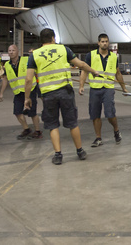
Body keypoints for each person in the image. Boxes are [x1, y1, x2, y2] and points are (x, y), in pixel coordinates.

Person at [24, 28, 100, 165]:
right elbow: (81, 64)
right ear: (53, 38)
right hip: (65, 92)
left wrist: (27, 98)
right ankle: (80, 151)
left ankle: (58, 155)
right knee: (72, 123)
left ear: (42, 40)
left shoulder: (34, 55)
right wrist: (93, 71)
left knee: (53, 125)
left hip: (48, 94)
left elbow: (28, 80)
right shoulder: (64, 50)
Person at [78, 33, 128, 147]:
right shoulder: (90, 55)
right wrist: (81, 86)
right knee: (95, 115)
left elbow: (118, 73)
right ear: (98, 43)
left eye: (106, 41)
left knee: (110, 113)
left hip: (108, 89)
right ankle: (98, 138)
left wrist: (124, 88)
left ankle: (116, 130)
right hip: (95, 89)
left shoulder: (114, 56)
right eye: (102, 41)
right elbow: (84, 71)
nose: (105, 43)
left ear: (108, 43)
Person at [0, 44, 42, 140]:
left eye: (13, 50)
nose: (11, 52)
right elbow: (5, 79)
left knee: (32, 112)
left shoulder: (26, 60)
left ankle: (37, 131)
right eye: (9, 50)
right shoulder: (7, 65)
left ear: (17, 51)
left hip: (30, 90)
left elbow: (37, 69)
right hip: (18, 92)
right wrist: (1, 93)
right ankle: (26, 129)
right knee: (17, 112)